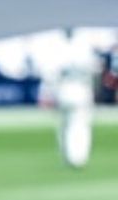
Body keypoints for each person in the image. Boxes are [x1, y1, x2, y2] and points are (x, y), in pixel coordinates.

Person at [41, 28, 98, 168]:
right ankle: (78, 157)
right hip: (81, 89)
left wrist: (47, 93)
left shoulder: (58, 49)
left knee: (65, 125)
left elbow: (50, 75)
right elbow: (95, 70)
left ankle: (68, 156)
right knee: (80, 124)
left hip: (64, 90)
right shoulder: (84, 48)